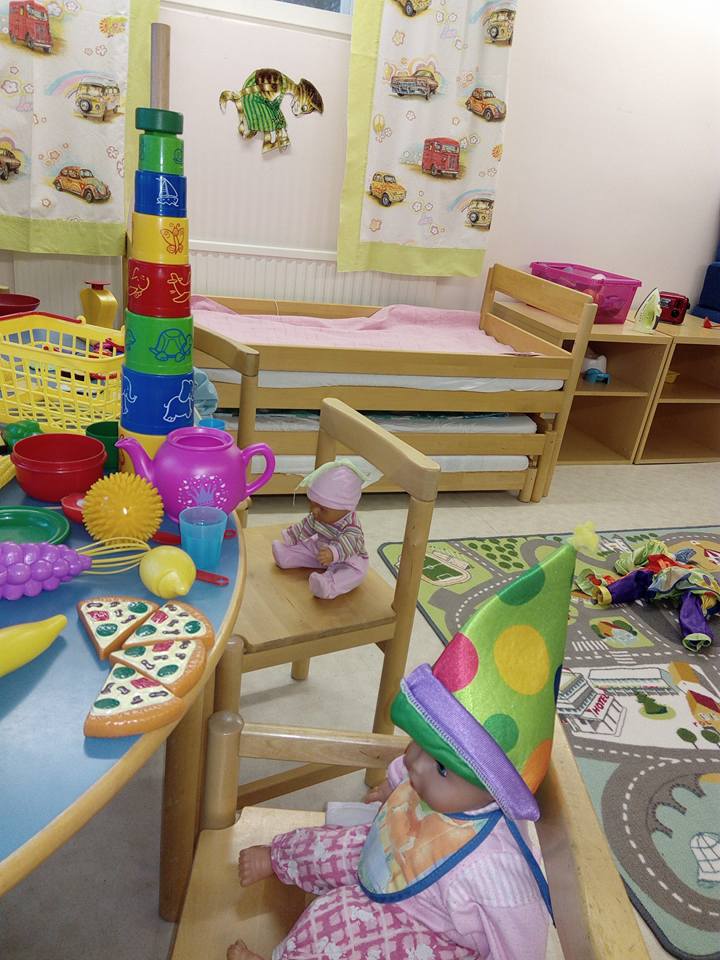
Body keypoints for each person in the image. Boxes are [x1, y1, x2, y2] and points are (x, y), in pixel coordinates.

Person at [228, 532, 586, 960]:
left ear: (497, 791)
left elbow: (521, 943)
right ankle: (278, 858)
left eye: (440, 767)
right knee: (333, 843)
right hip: (398, 853)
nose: (413, 762)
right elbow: (411, 770)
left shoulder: (493, 869)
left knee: (335, 925)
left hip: (430, 931)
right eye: (418, 743)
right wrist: (389, 789)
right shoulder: (445, 782)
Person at [272, 459, 369, 600]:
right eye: (312, 504)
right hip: (322, 550)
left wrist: (333, 553)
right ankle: (288, 555)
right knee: (307, 546)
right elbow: (307, 525)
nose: (314, 511)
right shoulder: (319, 516)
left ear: (346, 508)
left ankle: (327, 585)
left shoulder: (352, 527)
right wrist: (292, 534)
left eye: (322, 508)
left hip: (347, 558)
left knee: (354, 574)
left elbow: (350, 543)